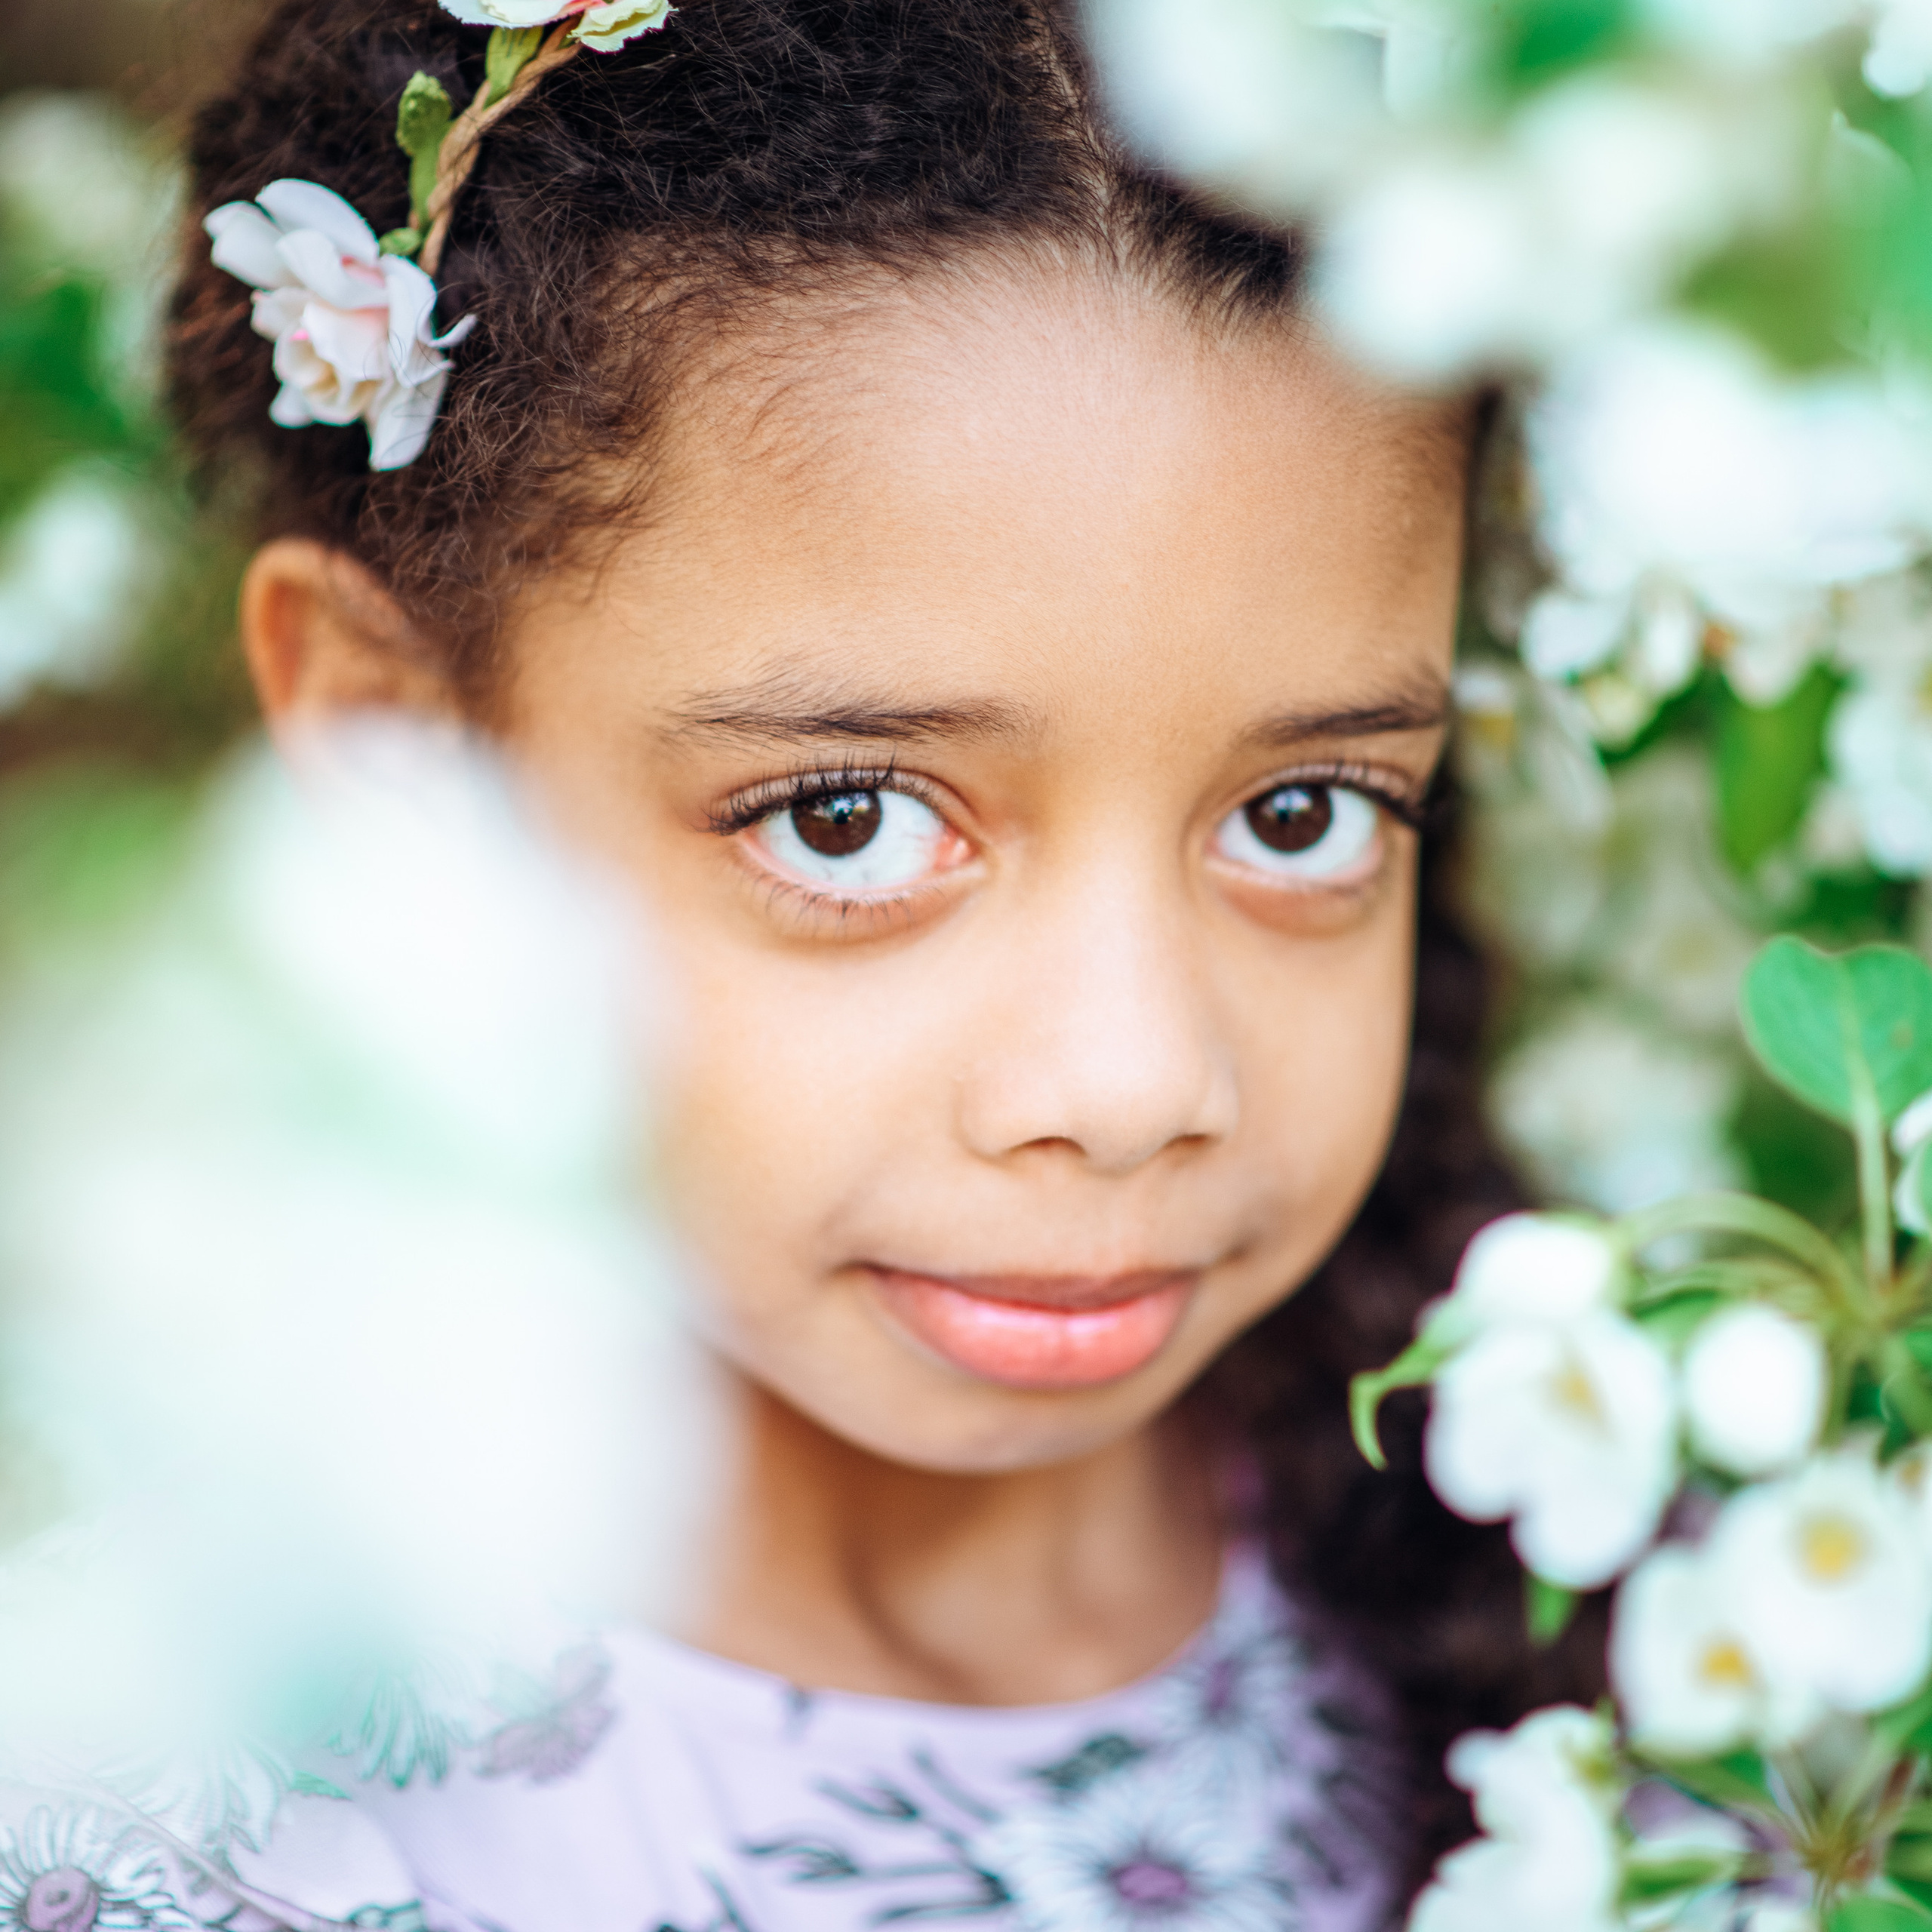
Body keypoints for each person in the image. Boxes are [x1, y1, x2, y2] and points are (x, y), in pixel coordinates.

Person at [24, 1, 1595, 1925]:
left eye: (1303, 814)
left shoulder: (1611, 1596)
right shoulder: (165, 1792)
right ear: (393, 747)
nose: (1130, 1083)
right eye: (845, 819)